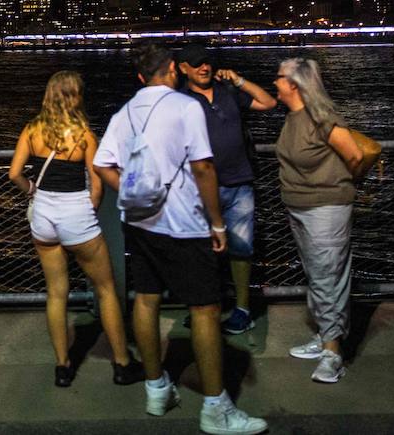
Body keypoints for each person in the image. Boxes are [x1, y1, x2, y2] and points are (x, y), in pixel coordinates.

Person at [95, 44, 267, 435]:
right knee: (206, 309)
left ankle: (157, 390)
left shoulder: (124, 112)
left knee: (146, 300)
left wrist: (129, 194)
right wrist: (218, 223)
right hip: (184, 224)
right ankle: (215, 408)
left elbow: (101, 163)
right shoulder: (185, 107)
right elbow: (204, 168)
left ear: (140, 77)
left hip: (139, 223)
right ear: (173, 70)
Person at [8, 70, 144, 388]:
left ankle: (63, 366)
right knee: (107, 290)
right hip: (75, 215)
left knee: (56, 293)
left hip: (42, 216)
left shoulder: (32, 130)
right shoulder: (84, 135)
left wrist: (31, 190)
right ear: (76, 96)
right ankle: (123, 363)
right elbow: (96, 188)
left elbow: (14, 173)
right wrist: (86, 214)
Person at [273, 56, 364, 384]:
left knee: (328, 276)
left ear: (294, 85)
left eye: (279, 77)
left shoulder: (323, 117)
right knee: (318, 274)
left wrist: (337, 186)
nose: (275, 82)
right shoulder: (293, 116)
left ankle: (333, 352)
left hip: (326, 208)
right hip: (298, 207)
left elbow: (354, 156)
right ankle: (327, 335)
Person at [176, 43, 277, 335]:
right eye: (196, 64)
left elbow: (268, 103)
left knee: (241, 249)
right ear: (183, 69)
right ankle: (203, 307)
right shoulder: (180, 101)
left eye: (206, 62)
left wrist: (240, 80)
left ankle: (242, 309)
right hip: (198, 189)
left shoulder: (227, 91)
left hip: (239, 182)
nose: (204, 67)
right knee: (201, 252)